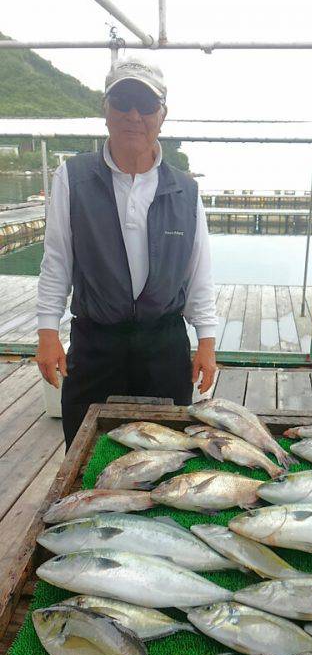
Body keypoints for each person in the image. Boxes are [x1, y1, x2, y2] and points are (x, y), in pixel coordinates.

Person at [36, 56, 217, 449]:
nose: (134, 114)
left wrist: (206, 340)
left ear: (162, 115)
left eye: (146, 104)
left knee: (166, 451)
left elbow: (197, 272)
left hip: (164, 342)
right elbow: (56, 261)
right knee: (84, 449)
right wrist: (47, 332)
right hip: (95, 340)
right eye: (123, 102)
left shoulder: (185, 190)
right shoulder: (73, 177)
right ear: (106, 110)